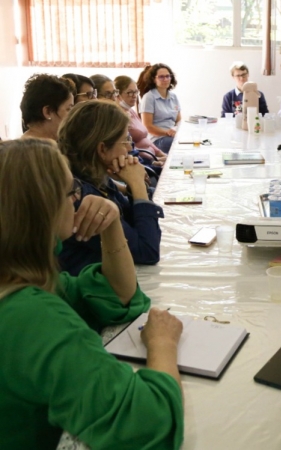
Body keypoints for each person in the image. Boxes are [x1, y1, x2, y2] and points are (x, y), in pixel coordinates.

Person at [0, 138, 183, 449]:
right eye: (70, 190)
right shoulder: (32, 317)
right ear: (44, 209)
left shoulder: (22, 280)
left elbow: (116, 295)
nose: (76, 198)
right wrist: (163, 344)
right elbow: (148, 422)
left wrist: (111, 224)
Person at [57, 100, 164, 276]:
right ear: (102, 149)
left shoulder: (96, 177)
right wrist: (137, 186)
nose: (130, 148)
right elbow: (147, 251)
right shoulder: (81, 196)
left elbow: (134, 226)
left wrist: (134, 188)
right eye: (125, 140)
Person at [114, 75, 167, 168]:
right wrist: (153, 160)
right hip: (143, 161)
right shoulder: (118, 116)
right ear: (118, 95)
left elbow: (145, 139)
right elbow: (130, 148)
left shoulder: (130, 110)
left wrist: (161, 154)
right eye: (130, 92)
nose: (134, 96)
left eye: (135, 92)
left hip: (151, 157)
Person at [140, 63, 181, 153]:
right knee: (180, 146)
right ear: (154, 79)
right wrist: (168, 133)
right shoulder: (149, 97)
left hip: (173, 135)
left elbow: (179, 120)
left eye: (167, 76)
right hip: (158, 139)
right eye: (161, 77)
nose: (165, 79)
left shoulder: (174, 97)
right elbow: (148, 127)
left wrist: (175, 130)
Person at [19, 74, 74, 140]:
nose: (73, 115)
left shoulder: (18, 147)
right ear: (48, 112)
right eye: (69, 109)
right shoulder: (38, 149)